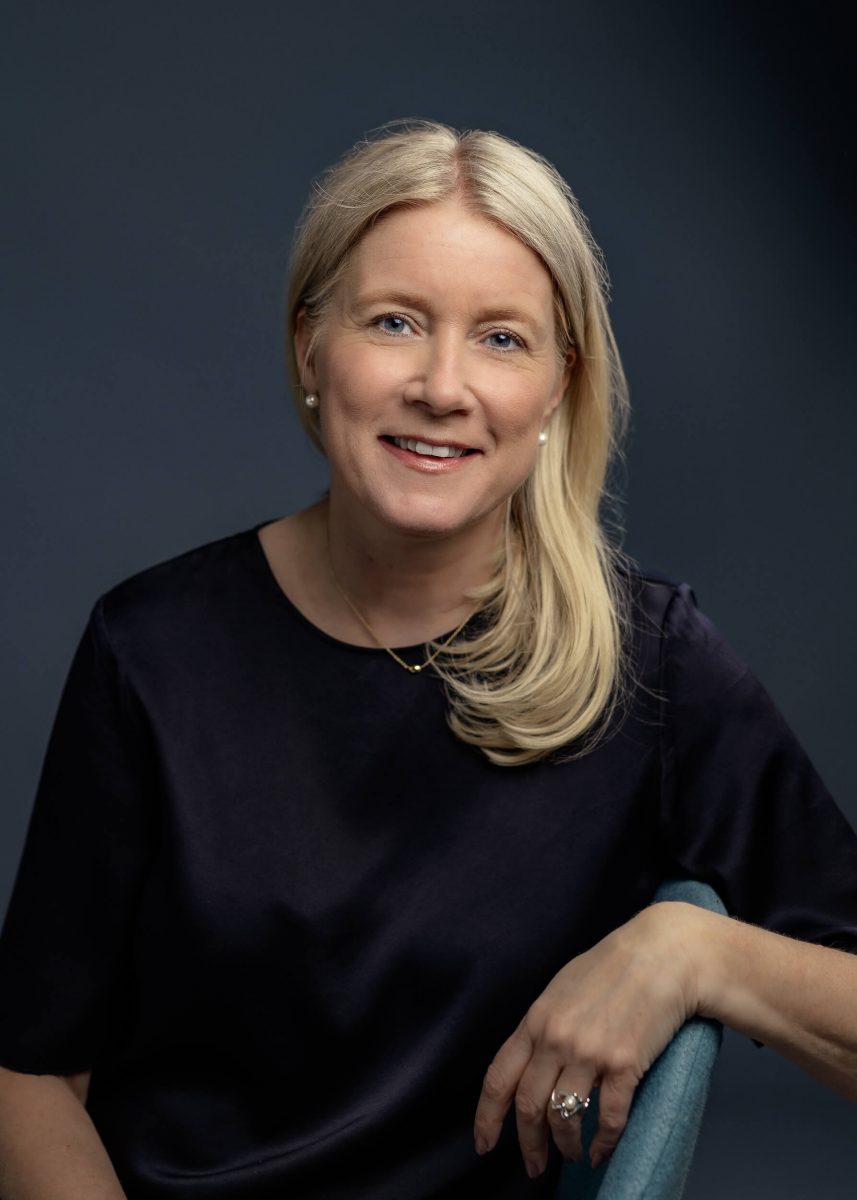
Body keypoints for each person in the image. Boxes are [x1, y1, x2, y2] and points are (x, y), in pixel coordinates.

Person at [0, 119, 855, 1200]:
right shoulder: (152, 648)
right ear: (312, 346)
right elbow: (29, 1072)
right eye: (396, 321)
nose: (441, 385)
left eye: (501, 338)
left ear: (556, 389)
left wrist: (699, 952)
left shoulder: (651, 668)